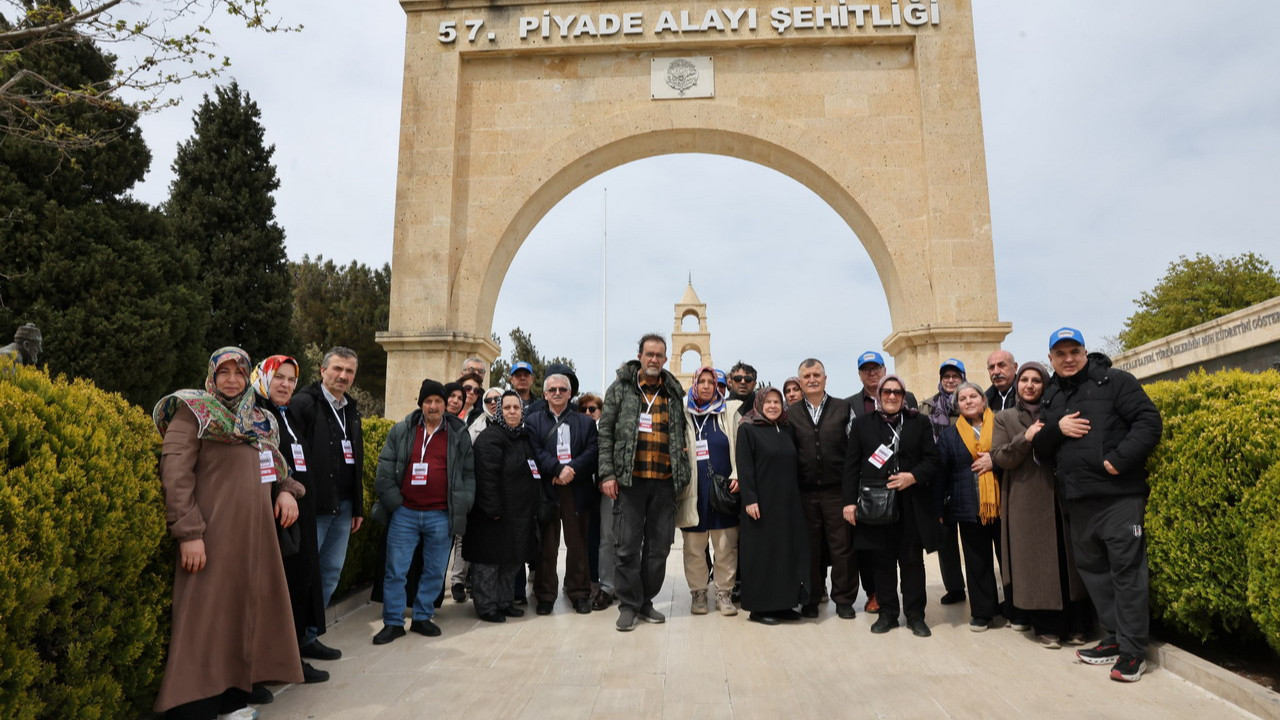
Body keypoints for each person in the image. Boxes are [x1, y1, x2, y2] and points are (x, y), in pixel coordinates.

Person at [152, 347, 304, 719]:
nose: (232, 379)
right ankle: (193, 707)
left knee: (244, 616)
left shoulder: (259, 420)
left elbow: (276, 466)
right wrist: (189, 533)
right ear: (212, 376)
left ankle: (233, 701)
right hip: (211, 539)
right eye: (225, 372)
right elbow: (176, 476)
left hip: (255, 542)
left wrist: (286, 490)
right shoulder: (192, 412)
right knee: (204, 620)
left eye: (239, 372)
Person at [1032, 328, 1162, 682]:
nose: (1068, 359)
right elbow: (1041, 446)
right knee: (1096, 574)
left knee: (1126, 573)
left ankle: (1133, 652)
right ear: (1051, 359)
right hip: (1077, 500)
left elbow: (1149, 422)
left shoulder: (1116, 382)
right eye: (1060, 354)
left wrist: (1119, 460)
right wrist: (1057, 428)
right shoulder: (1052, 395)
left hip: (1118, 497)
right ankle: (1116, 638)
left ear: (1085, 353)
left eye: (1074, 351)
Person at [991, 361, 1091, 649]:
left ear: (1045, 385)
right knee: (1036, 563)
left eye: (1036, 380)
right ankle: (1047, 626)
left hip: (1060, 495)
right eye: (1024, 380)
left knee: (1067, 560)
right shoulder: (1005, 418)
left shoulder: (1057, 412)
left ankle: (1077, 623)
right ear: (1017, 384)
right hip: (1026, 499)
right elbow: (1001, 457)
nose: (1030, 385)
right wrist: (1026, 438)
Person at [370, 379, 476, 644]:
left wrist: (462, 503)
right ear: (421, 404)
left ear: (445, 405)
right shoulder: (403, 430)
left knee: (435, 570)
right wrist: (395, 503)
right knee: (396, 570)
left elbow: (468, 474)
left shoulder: (457, 434)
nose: (433, 406)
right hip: (404, 513)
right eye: (428, 401)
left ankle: (422, 617)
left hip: (440, 514)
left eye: (438, 401)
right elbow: (385, 467)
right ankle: (393, 622)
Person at [597, 333, 690, 632]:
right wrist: (607, 474)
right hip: (630, 481)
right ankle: (628, 605)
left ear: (665, 358)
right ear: (639, 356)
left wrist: (682, 472)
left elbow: (681, 434)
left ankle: (645, 601)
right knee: (626, 547)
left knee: (659, 548)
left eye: (659, 355)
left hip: (664, 482)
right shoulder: (621, 389)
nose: (654, 359)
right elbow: (605, 433)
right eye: (649, 354)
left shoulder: (672, 392)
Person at [250, 356, 329, 685]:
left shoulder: (286, 414)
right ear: (262, 378)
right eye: (279, 377)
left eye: (291, 379)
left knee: (299, 585)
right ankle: (280, 663)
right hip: (273, 518)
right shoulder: (256, 416)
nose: (285, 384)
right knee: (279, 592)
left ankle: (293, 654)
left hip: (298, 515)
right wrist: (283, 491)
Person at [842, 375, 940, 638]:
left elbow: (932, 459)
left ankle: (916, 616)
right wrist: (849, 502)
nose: (892, 396)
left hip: (911, 504)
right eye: (887, 392)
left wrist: (913, 476)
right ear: (879, 395)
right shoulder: (862, 425)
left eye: (897, 392)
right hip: (877, 504)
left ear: (904, 396)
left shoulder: (919, 422)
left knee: (912, 563)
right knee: (882, 562)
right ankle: (887, 614)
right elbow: (851, 465)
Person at [287, 346, 364, 662]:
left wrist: (357, 507)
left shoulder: (351, 409)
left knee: (330, 573)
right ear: (322, 370)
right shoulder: (303, 404)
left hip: (342, 508)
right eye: (337, 369)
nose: (343, 376)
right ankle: (290, 643)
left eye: (349, 371)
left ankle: (309, 636)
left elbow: (356, 461)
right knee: (305, 575)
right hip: (313, 508)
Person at [788, 358, 858, 620]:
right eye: (807, 376)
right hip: (805, 493)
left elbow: (854, 451)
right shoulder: (790, 413)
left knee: (842, 548)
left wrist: (852, 494)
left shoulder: (844, 408)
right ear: (800, 382)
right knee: (810, 549)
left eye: (816, 374)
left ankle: (844, 599)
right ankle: (812, 597)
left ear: (825, 378)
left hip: (837, 492)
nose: (812, 379)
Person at [526, 372, 600, 615]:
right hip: (548, 488)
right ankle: (545, 595)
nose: (557, 393)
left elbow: (592, 452)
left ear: (570, 394)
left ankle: (578, 592)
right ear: (545, 394)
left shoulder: (585, 423)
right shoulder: (533, 421)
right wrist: (557, 469)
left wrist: (571, 470)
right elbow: (534, 450)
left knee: (577, 543)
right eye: (552, 389)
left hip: (576, 488)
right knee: (547, 545)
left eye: (562, 389)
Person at [464, 391, 541, 622]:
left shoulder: (523, 437)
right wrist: (492, 509)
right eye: (506, 408)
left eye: (516, 407)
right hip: (493, 516)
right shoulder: (491, 437)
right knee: (489, 563)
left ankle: (505, 602)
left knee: (511, 561)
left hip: (518, 514)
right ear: (499, 411)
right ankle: (487, 606)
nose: (512, 412)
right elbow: (486, 477)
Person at [736, 386, 808, 625]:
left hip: (786, 504)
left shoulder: (786, 429)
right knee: (762, 555)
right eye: (768, 402)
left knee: (784, 553)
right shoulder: (748, 429)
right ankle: (759, 608)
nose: (773, 406)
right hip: (761, 504)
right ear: (759, 404)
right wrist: (750, 499)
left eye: (777, 402)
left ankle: (784, 604)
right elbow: (744, 466)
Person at [936, 382, 1003, 632]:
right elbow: (941, 474)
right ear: (957, 406)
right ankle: (984, 612)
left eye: (973, 396)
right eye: (962, 399)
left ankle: (1017, 609)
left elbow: (1014, 454)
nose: (968, 401)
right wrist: (938, 509)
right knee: (977, 561)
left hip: (1002, 504)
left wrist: (995, 461)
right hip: (968, 506)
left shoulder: (1000, 425)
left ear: (983, 400)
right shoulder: (949, 435)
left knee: (1008, 560)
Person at [676, 366, 741, 617]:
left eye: (710, 382)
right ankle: (699, 593)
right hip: (694, 491)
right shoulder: (683, 413)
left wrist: (738, 474)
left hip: (724, 491)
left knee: (725, 546)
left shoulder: (729, 412)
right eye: (701, 381)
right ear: (694, 384)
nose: (705, 386)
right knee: (694, 547)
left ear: (716, 386)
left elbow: (741, 446)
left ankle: (724, 593)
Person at [919, 358, 967, 607]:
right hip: (939, 479)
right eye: (946, 376)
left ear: (963, 378)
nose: (950, 380)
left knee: (972, 538)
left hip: (966, 477)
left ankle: (981, 586)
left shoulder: (971, 401)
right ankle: (955, 587)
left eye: (955, 376)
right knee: (946, 538)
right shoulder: (927, 406)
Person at [846, 350, 918, 418]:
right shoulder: (848, 405)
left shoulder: (907, 398)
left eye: (876, 368)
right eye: (866, 369)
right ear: (859, 374)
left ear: (885, 370)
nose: (872, 373)